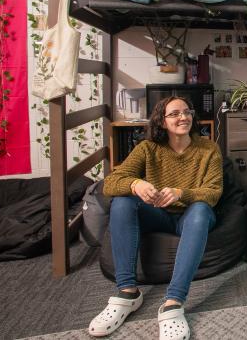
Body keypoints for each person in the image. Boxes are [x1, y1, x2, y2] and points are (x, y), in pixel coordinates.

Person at [89, 96, 223, 340]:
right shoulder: (147, 148)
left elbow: (213, 192)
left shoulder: (208, 148)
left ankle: (174, 302)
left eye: (187, 112)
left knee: (202, 209)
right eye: (174, 114)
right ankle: (127, 292)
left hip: (190, 216)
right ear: (161, 121)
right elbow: (110, 183)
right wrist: (135, 184)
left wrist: (181, 193)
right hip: (159, 215)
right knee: (122, 201)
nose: (183, 117)